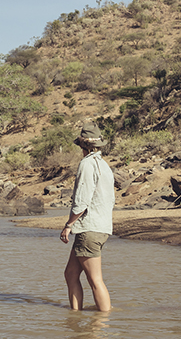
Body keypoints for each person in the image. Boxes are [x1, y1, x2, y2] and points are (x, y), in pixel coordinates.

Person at [61, 121, 115, 312]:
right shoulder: (105, 166)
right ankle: (76, 317)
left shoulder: (87, 164)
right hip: (100, 227)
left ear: (83, 146)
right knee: (70, 274)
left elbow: (81, 202)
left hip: (89, 229)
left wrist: (68, 225)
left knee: (95, 280)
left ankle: (103, 321)